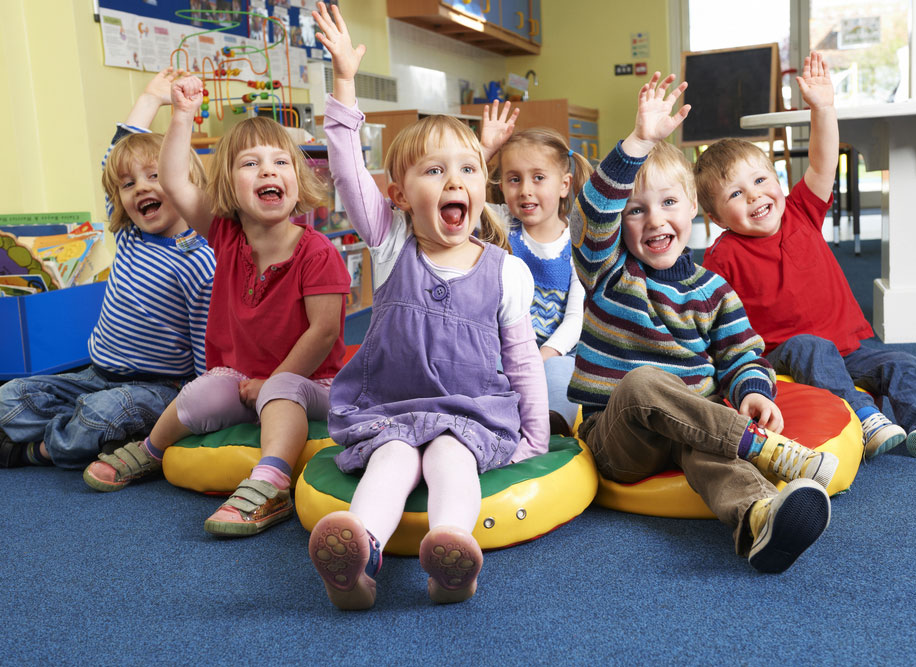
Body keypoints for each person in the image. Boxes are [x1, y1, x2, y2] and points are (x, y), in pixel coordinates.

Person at [308, 1, 548, 609]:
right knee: (390, 461)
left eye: (468, 169)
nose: (453, 181)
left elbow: (521, 362)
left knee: (450, 460)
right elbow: (346, 173)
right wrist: (342, 84)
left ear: (483, 188)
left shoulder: (507, 271)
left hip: (469, 414)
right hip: (391, 408)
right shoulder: (390, 243)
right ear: (398, 196)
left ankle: (451, 555)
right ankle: (357, 557)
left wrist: (534, 439)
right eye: (433, 170)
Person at [571, 71, 838, 573]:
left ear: (694, 208)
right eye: (636, 211)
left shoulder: (713, 290)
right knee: (645, 381)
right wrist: (638, 143)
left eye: (670, 203)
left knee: (707, 449)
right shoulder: (606, 273)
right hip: (619, 438)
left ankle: (759, 519)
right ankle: (765, 450)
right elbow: (595, 212)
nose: (654, 220)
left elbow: (740, 354)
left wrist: (753, 391)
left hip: (693, 425)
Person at [81, 72, 352, 538]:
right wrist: (181, 114)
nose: (268, 171)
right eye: (251, 164)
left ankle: (269, 484)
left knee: (281, 392)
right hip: (242, 380)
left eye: (280, 162)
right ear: (228, 185)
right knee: (202, 390)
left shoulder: (317, 252)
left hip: (311, 383)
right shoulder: (225, 235)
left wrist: (274, 380)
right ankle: (150, 450)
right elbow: (172, 179)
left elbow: (324, 331)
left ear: (296, 177)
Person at [696, 52, 916, 461]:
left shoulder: (801, 210)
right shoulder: (723, 255)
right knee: (812, 348)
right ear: (715, 217)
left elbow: (823, 163)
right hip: (785, 352)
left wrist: (823, 107)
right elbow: (709, 316)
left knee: (902, 362)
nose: (754, 195)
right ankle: (863, 417)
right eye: (736, 194)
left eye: (760, 180)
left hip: (850, 347)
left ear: (777, 180)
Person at [0, 68, 215, 470]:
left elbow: (207, 341)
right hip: (95, 373)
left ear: (184, 182)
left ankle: (36, 450)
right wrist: (150, 98)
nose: (141, 188)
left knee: (100, 415)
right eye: (129, 185)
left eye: (156, 176)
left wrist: (200, 407)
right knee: (8, 396)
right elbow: (112, 159)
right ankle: (78, 429)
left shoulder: (199, 259)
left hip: (157, 387)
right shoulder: (131, 234)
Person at [478, 102, 593, 435]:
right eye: (514, 179)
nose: (525, 189)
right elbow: (464, 189)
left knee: (563, 374)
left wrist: (542, 355)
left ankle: (551, 426)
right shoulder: (500, 229)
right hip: (506, 349)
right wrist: (484, 151)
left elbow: (575, 318)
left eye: (538, 178)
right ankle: (494, 418)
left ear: (563, 185)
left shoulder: (578, 244)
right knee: (486, 368)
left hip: (555, 352)